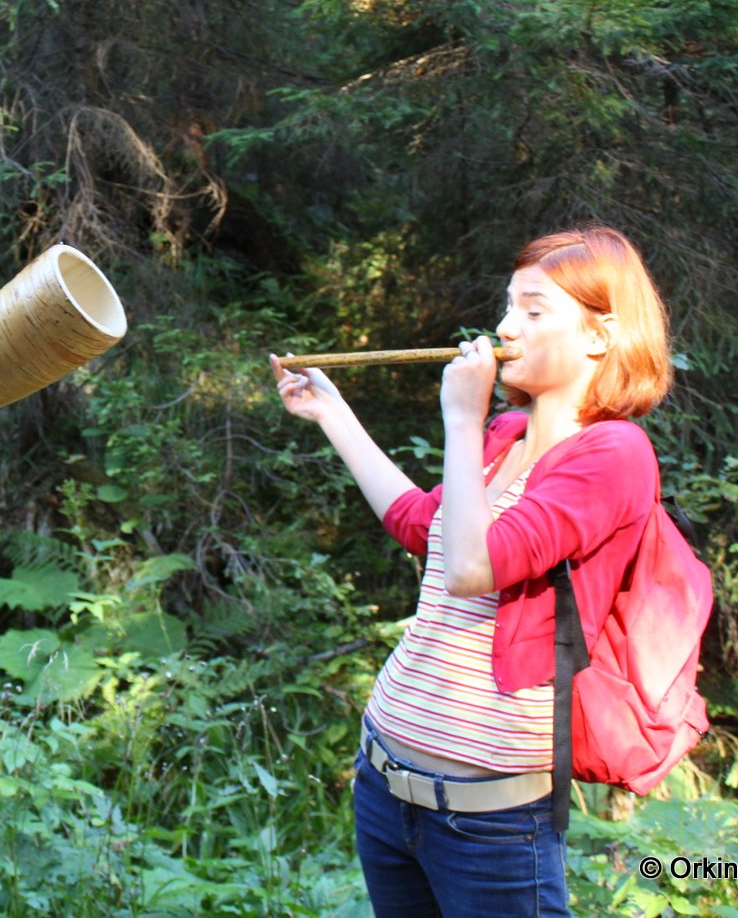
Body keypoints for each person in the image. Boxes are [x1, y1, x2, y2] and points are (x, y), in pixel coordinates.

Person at [270, 227, 673, 916]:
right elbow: (421, 527)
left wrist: (461, 416)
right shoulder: (504, 436)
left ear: (600, 335)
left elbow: (471, 567)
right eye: (508, 306)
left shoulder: (613, 454)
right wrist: (330, 411)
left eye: (533, 310)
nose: (505, 327)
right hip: (385, 787)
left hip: (488, 822)